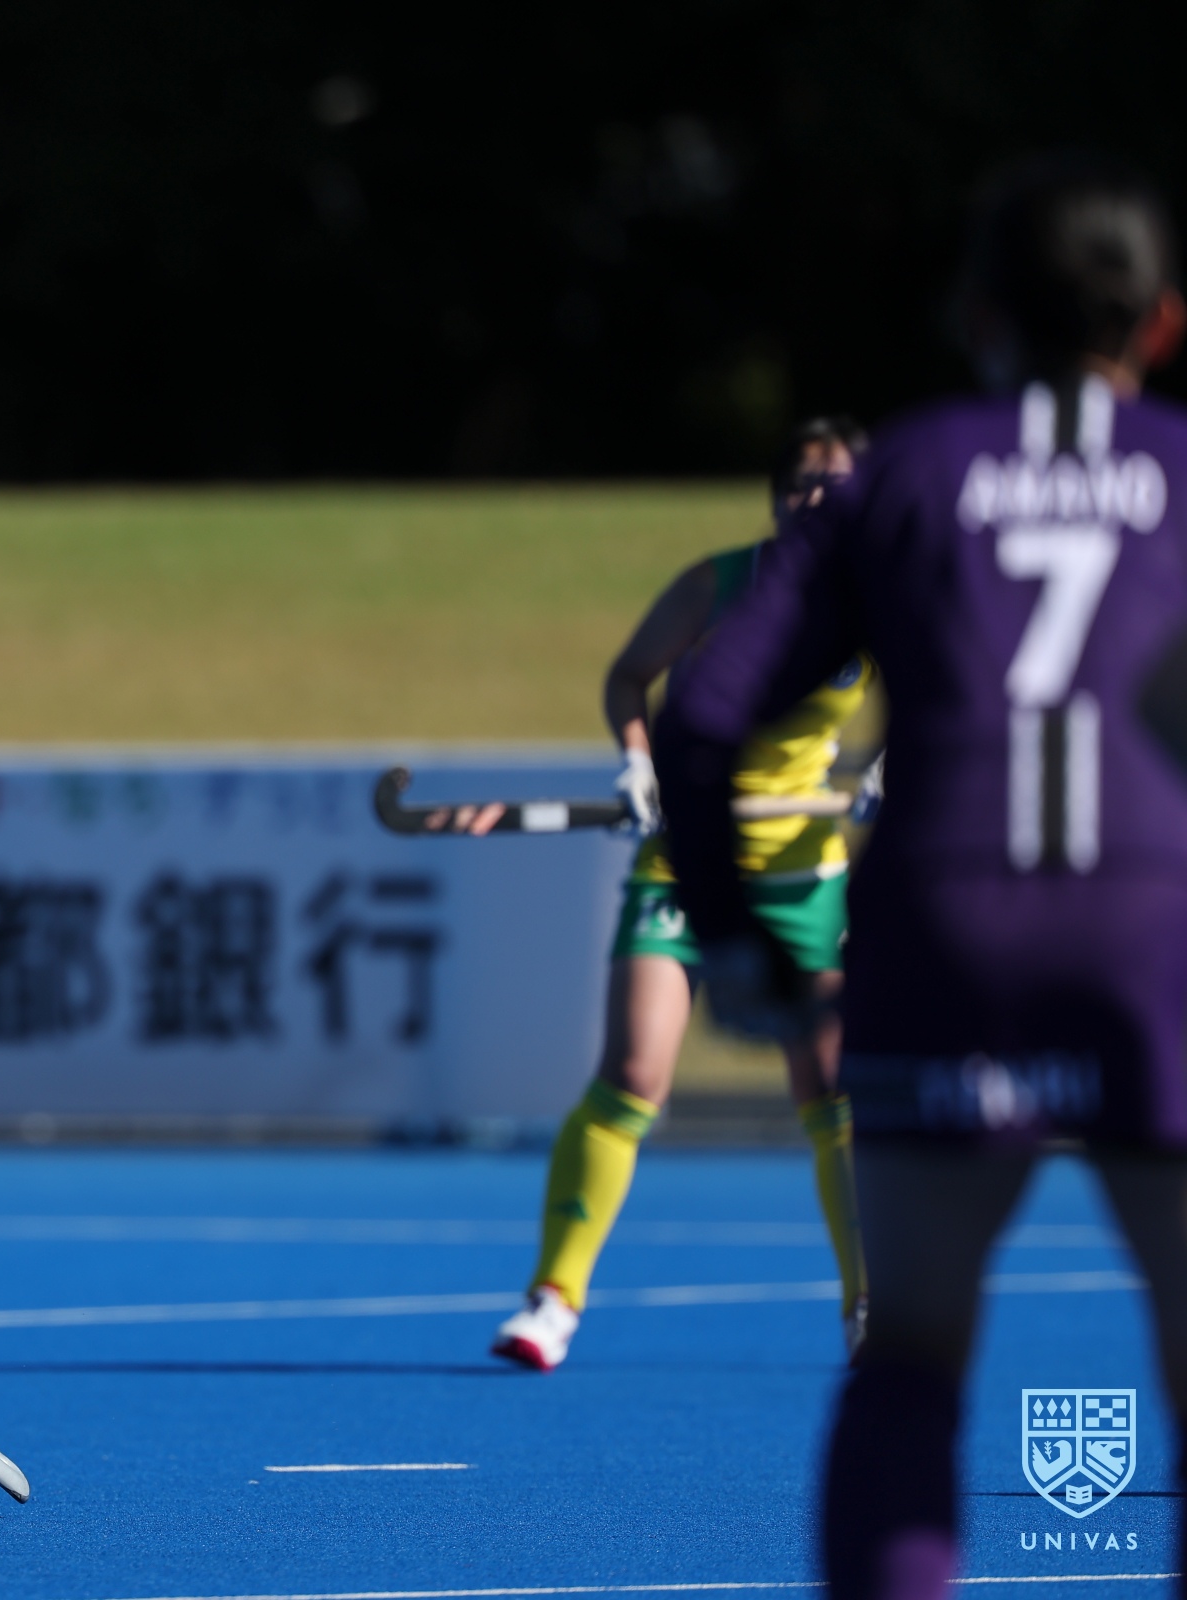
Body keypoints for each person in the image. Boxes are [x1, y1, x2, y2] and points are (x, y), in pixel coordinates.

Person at [654, 155, 1187, 1600]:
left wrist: (739, 941)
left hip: (946, 930)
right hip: (1161, 938)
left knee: (912, 1357)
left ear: (975, 314)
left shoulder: (903, 472)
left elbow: (704, 717)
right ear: (1164, 321)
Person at [489, 420, 875, 1373]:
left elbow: (950, 684)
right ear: (773, 499)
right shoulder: (717, 584)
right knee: (634, 1072)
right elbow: (630, 677)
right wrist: (636, 760)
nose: (814, 501)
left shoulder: (884, 592)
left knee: (832, 1088)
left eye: (835, 485)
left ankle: (869, 1308)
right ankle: (552, 1300)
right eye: (799, 484)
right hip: (688, 857)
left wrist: (892, 765)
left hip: (804, 868)